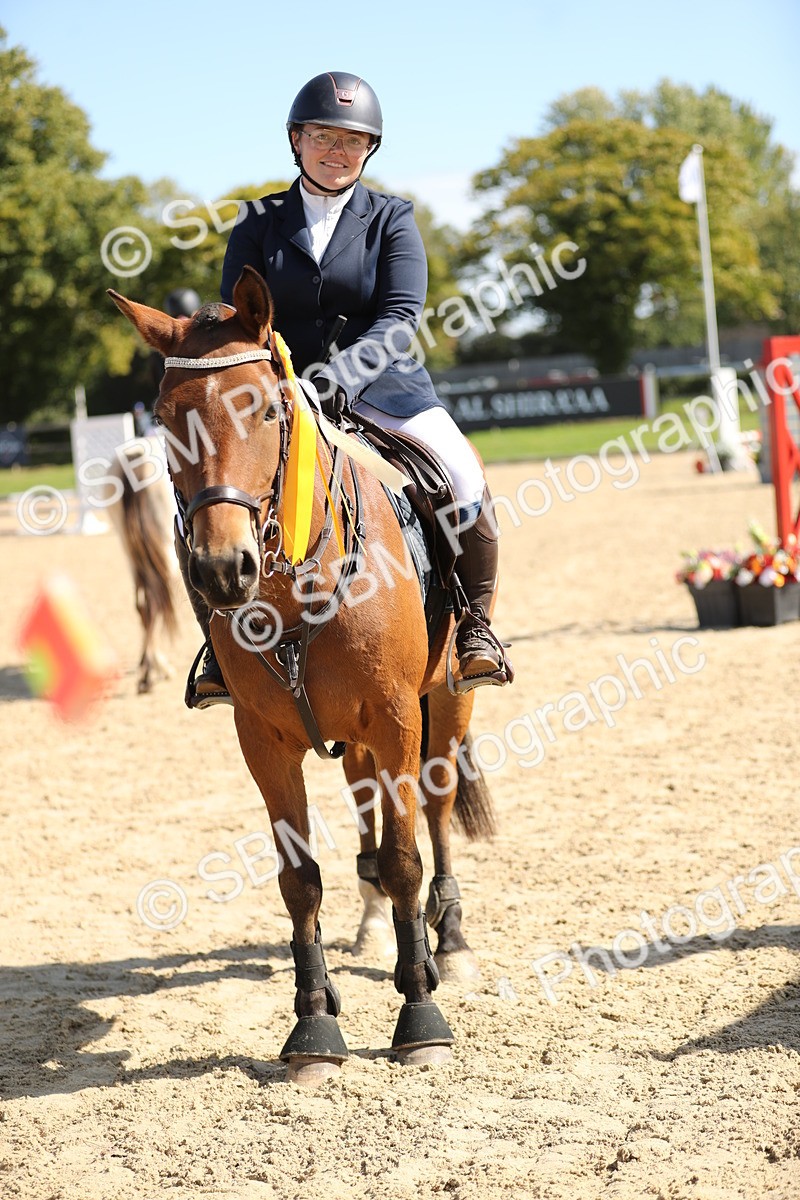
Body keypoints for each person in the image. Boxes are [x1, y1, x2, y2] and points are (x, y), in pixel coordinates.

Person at [187, 71, 511, 706]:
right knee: (200, 494)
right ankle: (218, 646)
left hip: (383, 387)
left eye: (353, 140)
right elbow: (240, 318)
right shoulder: (256, 222)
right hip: (276, 389)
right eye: (323, 136)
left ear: (370, 151)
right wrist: (280, 382)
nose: (337, 151)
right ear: (296, 141)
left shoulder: (392, 218)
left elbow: (399, 318)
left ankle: (475, 629)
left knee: (464, 479)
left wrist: (339, 377)